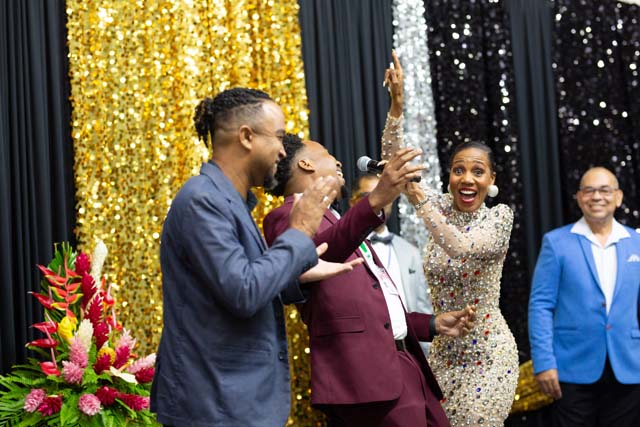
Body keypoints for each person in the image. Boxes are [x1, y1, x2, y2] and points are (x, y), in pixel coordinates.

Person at [150, 88, 362, 427]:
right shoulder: (202, 200)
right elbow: (244, 292)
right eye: (277, 136)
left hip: (233, 400)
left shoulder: (230, 202)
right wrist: (299, 231)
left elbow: (237, 283)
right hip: (214, 403)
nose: (283, 150)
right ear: (247, 137)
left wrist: (295, 276)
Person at [263, 125, 476, 425]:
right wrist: (374, 200)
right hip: (366, 380)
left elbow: (377, 311)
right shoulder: (285, 216)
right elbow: (313, 255)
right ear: (306, 163)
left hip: (405, 363)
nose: (338, 161)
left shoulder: (338, 218)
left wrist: (431, 324)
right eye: (328, 154)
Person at [388, 51, 519, 426]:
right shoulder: (440, 207)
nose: (467, 179)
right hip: (445, 354)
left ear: (491, 180)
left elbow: (460, 247)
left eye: (478, 171)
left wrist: (418, 200)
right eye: (459, 170)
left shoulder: (498, 217)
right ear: (449, 176)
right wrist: (396, 108)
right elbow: (394, 166)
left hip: (490, 356)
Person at [528, 166, 640, 426]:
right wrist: (544, 362)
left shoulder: (636, 242)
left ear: (618, 197)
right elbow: (540, 305)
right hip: (571, 367)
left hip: (630, 366)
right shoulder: (556, 243)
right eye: (589, 190)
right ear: (579, 198)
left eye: (604, 190)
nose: (596, 196)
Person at [350, 174, 434, 356]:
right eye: (367, 195)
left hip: (406, 350)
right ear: (352, 202)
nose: (378, 200)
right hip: (363, 351)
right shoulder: (345, 249)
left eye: (385, 192)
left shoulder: (410, 252)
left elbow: (421, 306)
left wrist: (426, 355)